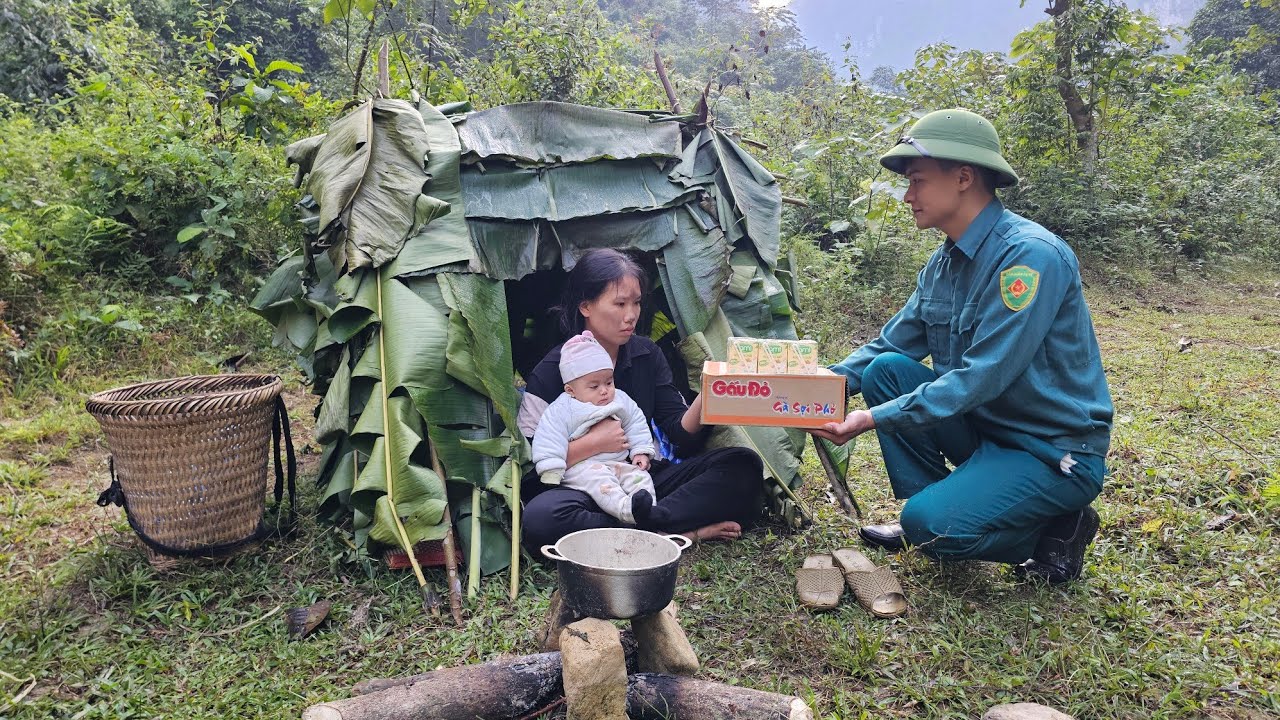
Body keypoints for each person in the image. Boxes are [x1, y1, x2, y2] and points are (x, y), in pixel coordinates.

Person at [812, 108, 1113, 584]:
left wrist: (871, 419)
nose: (908, 196)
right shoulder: (943, 263)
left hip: (1047, 449)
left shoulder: (1029, 258)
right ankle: (945, 503)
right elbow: (892, 343)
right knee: (887, 370)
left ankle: (1057, 529)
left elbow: (982, 376)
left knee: (927, 525)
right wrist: (811, 388)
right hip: (988, 428)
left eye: (917, 181)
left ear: (964, 178)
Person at [519, 249, 764, 548]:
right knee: (540, 519)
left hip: (641, 479)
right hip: (584, 487)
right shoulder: (552, 369)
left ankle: (640, 531)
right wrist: (594, 444)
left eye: (636, 303)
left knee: (744, 466)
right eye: (619, 303)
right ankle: (674, 534)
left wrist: (708, 394)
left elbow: (680, 436)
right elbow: (530, 467)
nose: (631, 315)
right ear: (586, 306)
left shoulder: (647, 354)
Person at [531, 330, 667, 528]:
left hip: (619, 463)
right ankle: (626, 511)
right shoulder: (561, 409)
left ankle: (647, 510)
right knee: (602, 482)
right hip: (583, 468)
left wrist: (641, 451)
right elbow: (549, 438)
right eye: (594, 387)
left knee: (641, 478)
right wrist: (551, 469)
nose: (604, 390)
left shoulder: (620, 399)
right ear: (571, 390)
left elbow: (636, 422)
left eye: (609, 382)